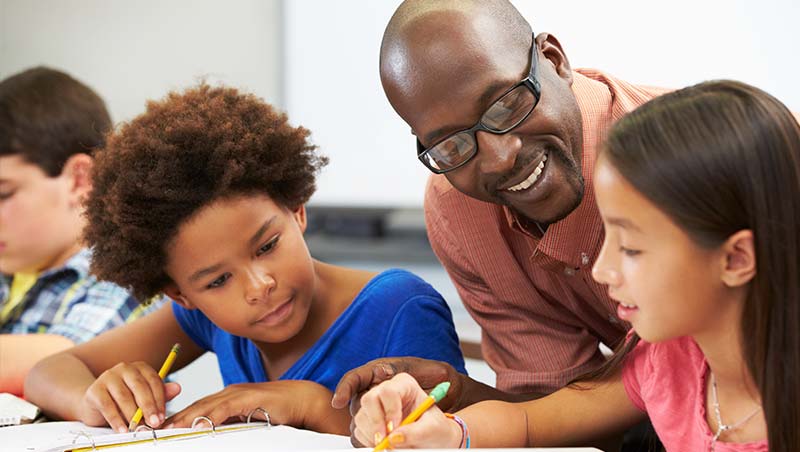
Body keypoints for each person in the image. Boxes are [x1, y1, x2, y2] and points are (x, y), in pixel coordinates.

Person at [352, 80, 800, 451]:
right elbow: (529, 422)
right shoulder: (670, 360)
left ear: (737, 258)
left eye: (632, 249)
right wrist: (450, 434)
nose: (602, 271)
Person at [24, 83, 466, 435]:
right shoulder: (203, 319)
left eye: (267, 246)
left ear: (297, 210)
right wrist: (94, 398)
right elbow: (49, 371)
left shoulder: (399, 307)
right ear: (181, 293)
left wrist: (307, 405)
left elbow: (444, 436)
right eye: (217, 281)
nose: (258, 287)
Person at [333, 0, 670, 414]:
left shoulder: (692, 158)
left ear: (554, 61)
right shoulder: (457, 211)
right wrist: (459, 396)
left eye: (506, 105)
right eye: (452, 144)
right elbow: (557, 413)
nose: (498, 159)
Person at [0, 67, 158, 396]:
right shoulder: (12, 267)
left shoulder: (128, 271)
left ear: (79, 179)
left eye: (4, 194)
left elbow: (71, 362)